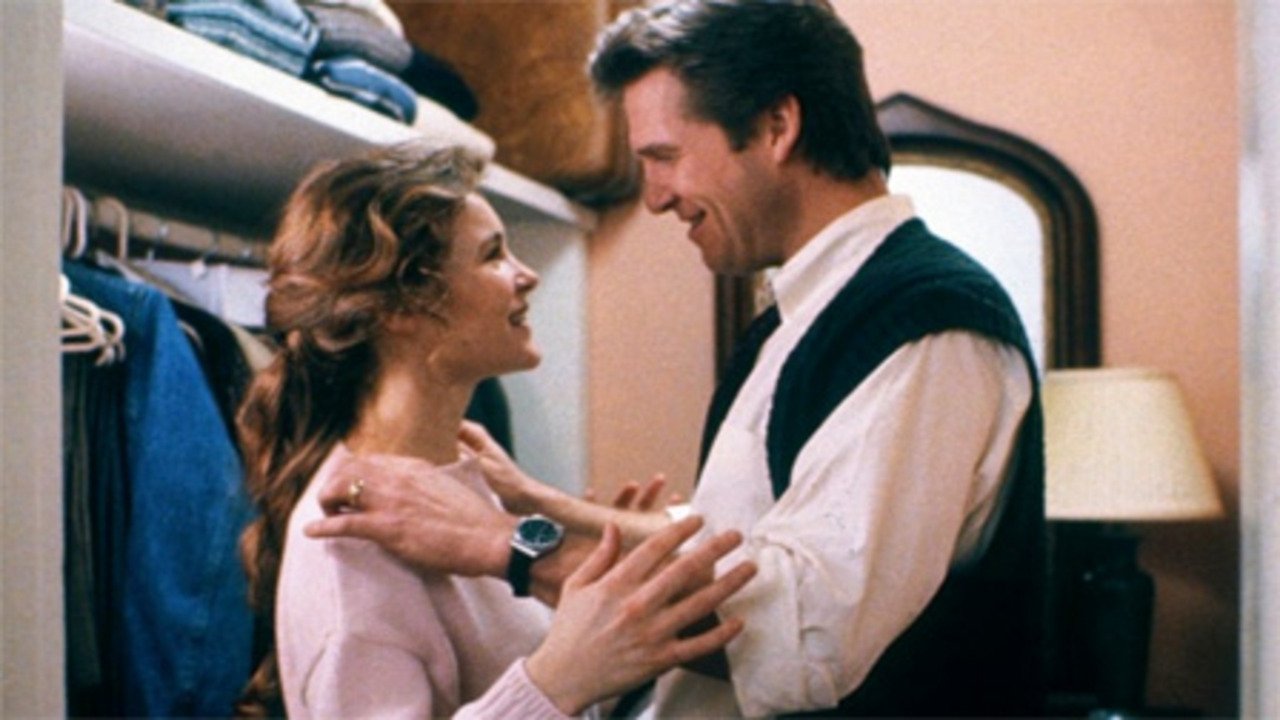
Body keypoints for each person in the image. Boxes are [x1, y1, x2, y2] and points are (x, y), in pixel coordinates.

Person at [307, 1, 1047, 716]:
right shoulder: (803, 316)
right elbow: (748, 547)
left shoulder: (928, 326)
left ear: (777, 126)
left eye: (665, 157)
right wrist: (544, 504)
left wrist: (504, 543)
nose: (655, 198)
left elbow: (805, 632)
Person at [234, 140, 757, 718]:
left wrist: (597, 631)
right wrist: (556, 682)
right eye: (493, 255)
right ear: (401, 309)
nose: (526, 275)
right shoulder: (350, 541)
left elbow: (548, 664)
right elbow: (555, 680)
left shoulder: (465, 479)